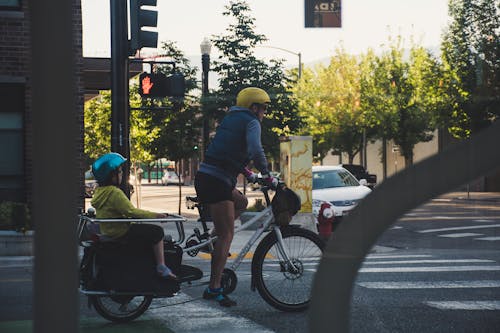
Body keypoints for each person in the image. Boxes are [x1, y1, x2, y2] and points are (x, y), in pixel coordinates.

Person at [194, 87, 278, 306]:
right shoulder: (251, 122)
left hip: (209, 177)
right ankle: (214, 288)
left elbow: (228, 151)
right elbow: (255, 149)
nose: (264, 113)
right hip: (217, 181)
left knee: (241, 202)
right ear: (254, 107)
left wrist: (248, 174)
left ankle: (210, 240)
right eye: (263, 108)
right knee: (227, 235)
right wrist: (267, 174)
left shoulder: (231, 119)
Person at [90, 152, 176, 279]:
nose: (121, 174)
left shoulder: (99, 192)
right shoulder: (114, 192)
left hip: (109, 230)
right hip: (121, 231)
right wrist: (156, 215)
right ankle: (161, 266)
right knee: (157, 232)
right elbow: (131, 212)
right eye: (119, 172)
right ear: (111, 175)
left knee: (144, 230)